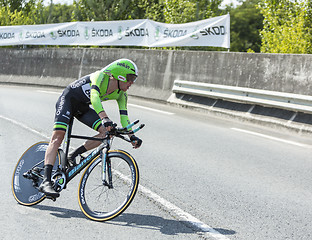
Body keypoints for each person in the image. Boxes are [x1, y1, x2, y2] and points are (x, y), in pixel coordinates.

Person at [39, 58, 142, 198]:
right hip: (69, 100)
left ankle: (73, 154)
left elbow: (124, 117)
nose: (132, 83)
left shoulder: (122, 94)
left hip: (82, 107)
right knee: (58, 137)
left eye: (134, 79)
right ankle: (45, 181)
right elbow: (94, 97)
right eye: (130, 78)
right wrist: (105, 118)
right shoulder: (100, 76)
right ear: (120, 75)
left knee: (107, 133)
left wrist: (132, 137)